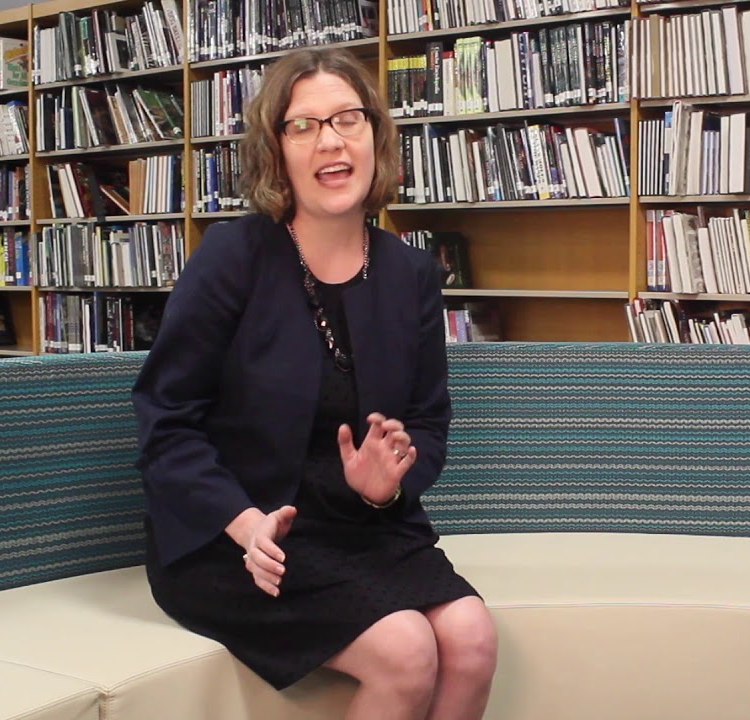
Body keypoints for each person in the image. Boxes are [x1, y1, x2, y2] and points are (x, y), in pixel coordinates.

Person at [130, 47, 498, 720]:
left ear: (375, 136)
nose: (330, 140)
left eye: (347, 119)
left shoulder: (411, 275)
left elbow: (427, 423)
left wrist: (388, 487)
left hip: (362, 526)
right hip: (237, 537)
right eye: (303, 125)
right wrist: (246, 525)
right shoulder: (232, 258)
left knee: (472, 639)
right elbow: (167, 419)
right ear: (277, 152)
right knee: (406, 650)